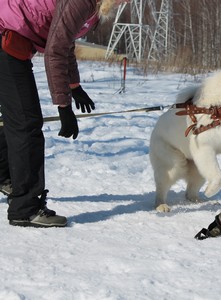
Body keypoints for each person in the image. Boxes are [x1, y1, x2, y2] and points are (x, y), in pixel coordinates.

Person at [0, 0, 127, 227]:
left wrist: (74, 86)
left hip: (9, 41)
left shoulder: (95, 7)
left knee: (14, 120)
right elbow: (55, 51)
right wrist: (63, 106)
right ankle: (25, 209)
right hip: (6, 41)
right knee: (26, 125)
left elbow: (64, 42)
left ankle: (6, 178)